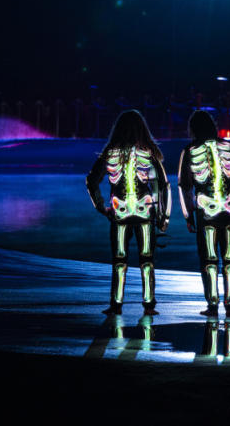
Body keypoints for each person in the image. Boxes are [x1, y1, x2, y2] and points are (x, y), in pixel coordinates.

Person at [86, 110, 171, 316]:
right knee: (147, 259)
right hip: (144, 213)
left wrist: (101, 207)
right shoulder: (150, 153)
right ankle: (149, 304)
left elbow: (91, 181)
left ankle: (116, 304)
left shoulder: (110, 153)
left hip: (120, 213)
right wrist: (163, 216)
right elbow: (163, 186)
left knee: (119, 259)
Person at [177, 110, 230, 317]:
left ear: (193, 128)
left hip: (205, 214)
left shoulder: (189, 150)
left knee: (209, 259)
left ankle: (213, 303)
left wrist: (188, 215)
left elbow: (184, 185)